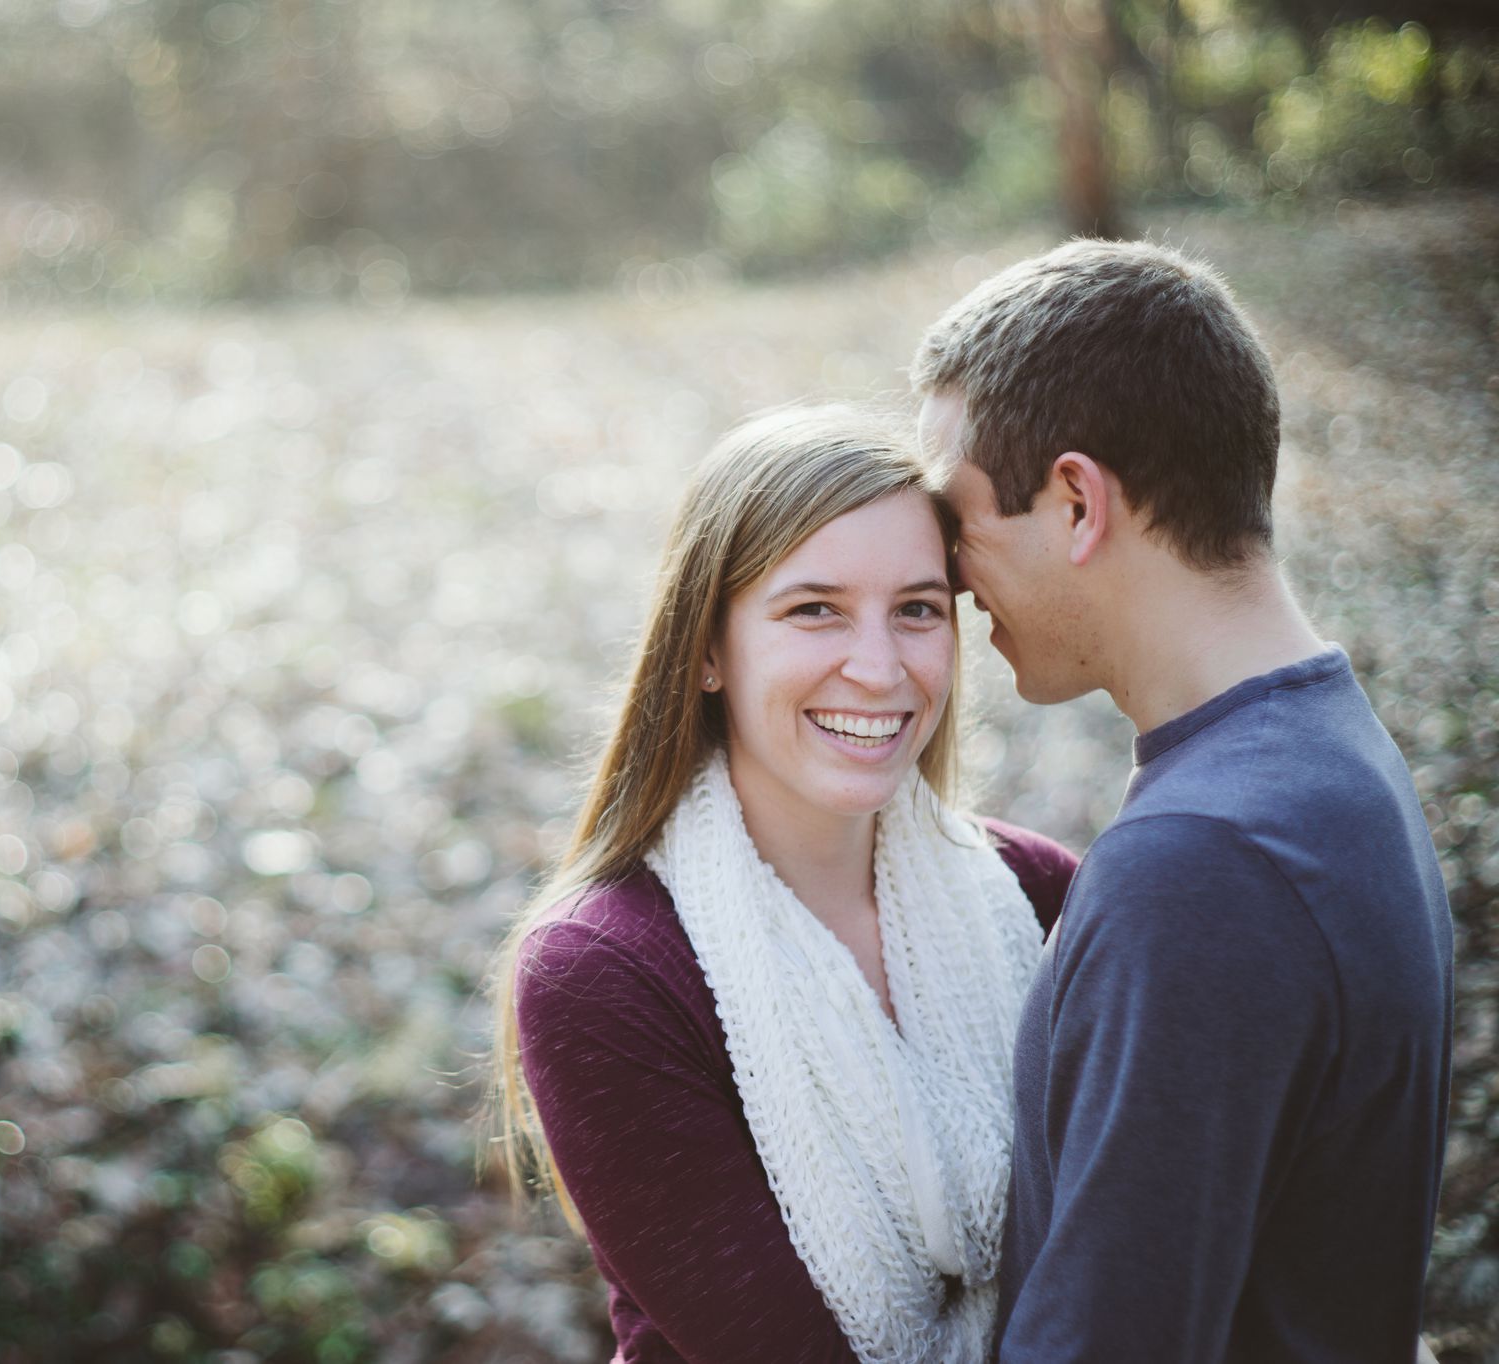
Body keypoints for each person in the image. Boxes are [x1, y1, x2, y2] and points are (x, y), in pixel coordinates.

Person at [911, 239, 1454, 1362]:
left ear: (1074, 502)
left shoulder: (1201, 862)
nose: (951, 579)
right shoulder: (1334, 757)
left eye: (958, 520)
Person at [488, 405, 1078, 1363]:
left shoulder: (1042, 895)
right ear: (709, 649)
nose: (880, 668)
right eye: (816, 610)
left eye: (919, 609)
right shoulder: (604, 975)